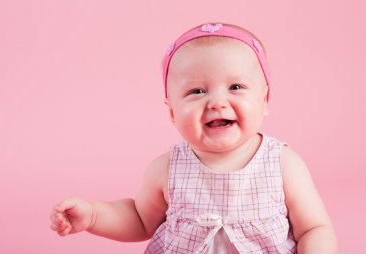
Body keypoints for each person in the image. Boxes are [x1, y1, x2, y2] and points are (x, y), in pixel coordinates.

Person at [50, 23, 338, 253]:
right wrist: (94, 216)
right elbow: (139, 219)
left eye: (235, 86)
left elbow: (314, 228)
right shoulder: (167, 168)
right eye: (197, 91)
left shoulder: (282, 163)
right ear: (173, 112)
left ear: (264, 100)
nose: (216, 102)